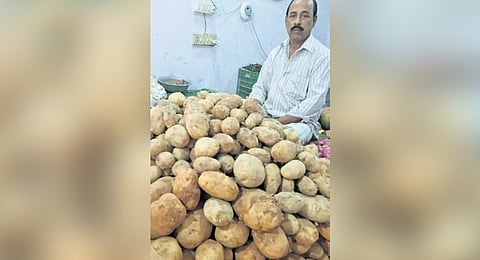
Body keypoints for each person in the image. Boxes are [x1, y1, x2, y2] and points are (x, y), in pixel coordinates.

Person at [248, 0, 330, 145]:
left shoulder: (323, 57)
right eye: (293, 15)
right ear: (286, 20)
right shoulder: (276, 52)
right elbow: (260, 87)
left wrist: (275, 123)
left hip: (298, 124)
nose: (297, 21)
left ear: (314, 20)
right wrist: (253, 108)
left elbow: (312, 103)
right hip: (266, 116)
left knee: (284, 141)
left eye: (305, 16)